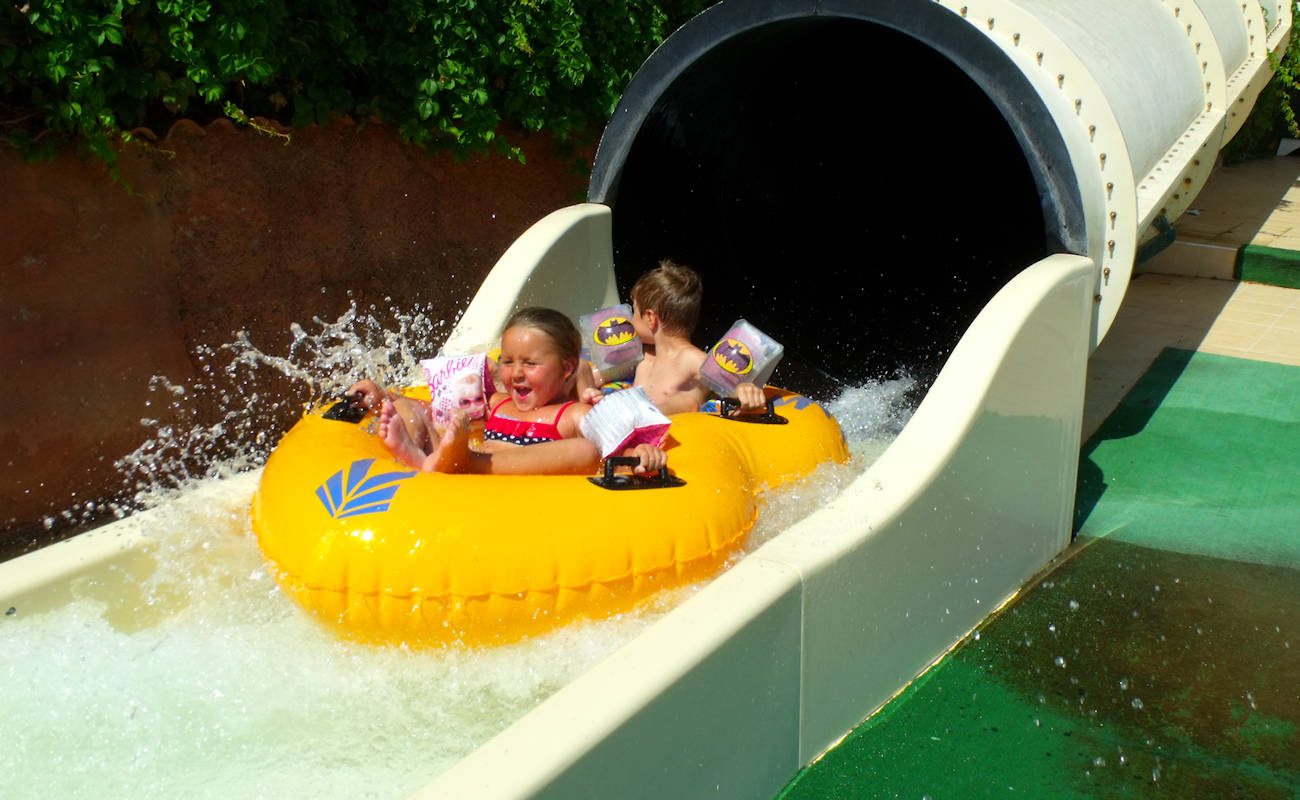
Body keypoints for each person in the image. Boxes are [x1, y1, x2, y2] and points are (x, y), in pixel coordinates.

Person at [353, 307, 665, 475]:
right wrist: (384, 399)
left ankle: (457, 464)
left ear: (567, 368)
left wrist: (637, 453)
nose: (515, 373)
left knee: (585, 450)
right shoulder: (497, 404)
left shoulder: (571, 415)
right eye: (507, 361)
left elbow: (610, 446)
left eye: (530, 363)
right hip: (460, 466)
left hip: (485, 472)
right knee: (411, 411)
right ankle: (424, 461)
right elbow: (435, 408)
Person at [581, 260, 767, 416]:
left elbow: (730, 387)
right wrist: (587, 387)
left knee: (686, 401)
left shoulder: (693, 360)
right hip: (634, 425)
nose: (629, 319)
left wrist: (744, 391)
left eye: (635, 312)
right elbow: (594, 374)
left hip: (671, 431)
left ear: (651, 318)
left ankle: (641, 414)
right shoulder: (642, 356)